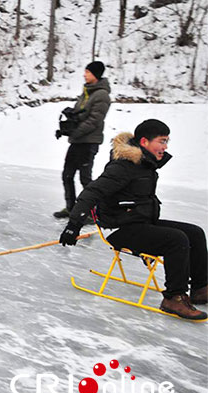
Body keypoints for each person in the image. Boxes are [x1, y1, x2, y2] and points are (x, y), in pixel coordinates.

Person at [59, 119, 207, 321]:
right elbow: (92, 192)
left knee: (195, 233)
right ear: (145, 142)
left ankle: (200, 289)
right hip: (119, 229)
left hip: (139, 223)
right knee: (177, 239)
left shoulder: (145, 164)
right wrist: (73, 225)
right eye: (162, 141)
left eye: (167, 142)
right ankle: (174, 298)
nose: (165, 147)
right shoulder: (123, 167)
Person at [53, 61, 111, 219]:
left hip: (89, 142)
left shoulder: (102, 95)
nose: (84, 75)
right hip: (77, 141)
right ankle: (70, 207)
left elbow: (94, 120)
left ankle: (91, 213)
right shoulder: (86, 92)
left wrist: (76, 132)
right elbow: (80, 116)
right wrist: (67, 126)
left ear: (96, 75)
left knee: (85, 178)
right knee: (67, 175)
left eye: (88, 72)